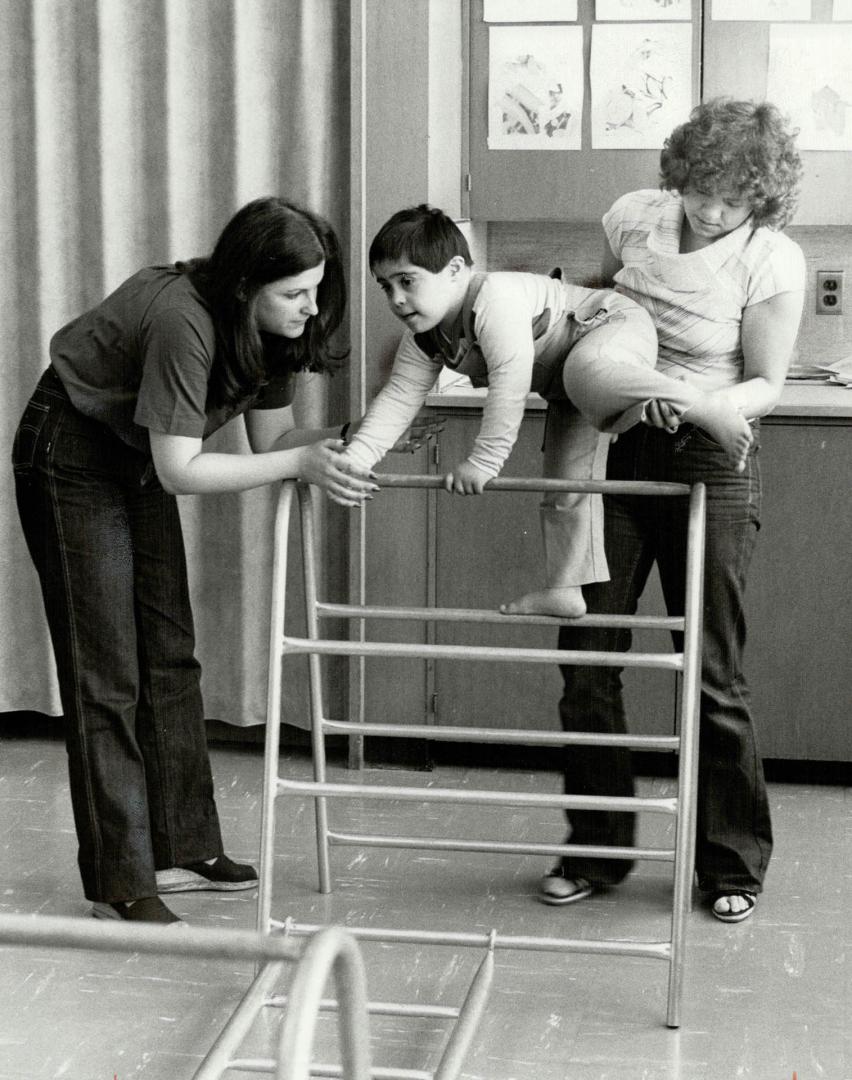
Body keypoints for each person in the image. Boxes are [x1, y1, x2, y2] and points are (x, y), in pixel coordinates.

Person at [12, 197, 378, 924]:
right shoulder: (185, 319)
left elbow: (270, 444)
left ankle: (185, 843)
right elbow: (183, 468)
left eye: (316, 289)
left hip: (136, 458)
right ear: (246, 286)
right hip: (71, 453)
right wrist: (299, 464)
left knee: (171, 654)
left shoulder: (272, 331)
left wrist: (358, 435)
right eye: (295, 294)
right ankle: (122, 877)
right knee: (105, 670)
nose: (311, 308)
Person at [541, 99, 805, 923]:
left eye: (732, 198)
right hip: (620, 440)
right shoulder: (633, 219)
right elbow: (597, 307)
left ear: (759, 198)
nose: (712, 210)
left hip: (712, 455)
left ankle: (729, 865)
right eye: (700, 189)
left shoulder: (771, 258)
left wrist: (683, 398)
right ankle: (597, 849)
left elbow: (765, 383)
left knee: (712, 675)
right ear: (678, 173)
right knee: (587, 654)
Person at [340, 204, 754, 619]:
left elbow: (510, 381)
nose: (396, 299)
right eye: (385, 286)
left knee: (587, 371)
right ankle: (566, 588)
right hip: (569, 383)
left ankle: (701, 402)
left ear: (454, 270)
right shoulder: (424, 337)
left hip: (609, 326)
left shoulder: (493, 300)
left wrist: (484, 462)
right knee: (564, 484)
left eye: (407, 281)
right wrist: (356, 460)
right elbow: (398, 399)